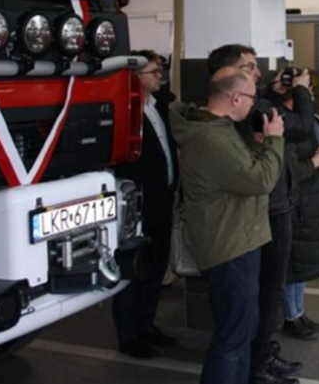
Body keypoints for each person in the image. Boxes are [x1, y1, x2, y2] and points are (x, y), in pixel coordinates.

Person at [168, 68, 285, 384]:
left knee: (242, 331)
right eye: (251, 97)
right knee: (233, 336)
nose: (253, 103)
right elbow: (260, 180)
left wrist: (259, 146)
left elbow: (240, 172)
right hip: (229, 247)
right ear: (234, 98)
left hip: (238, 240)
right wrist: (274, 140)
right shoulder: (211, 137)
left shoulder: (218, 129)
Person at [206, 44, 313, 384]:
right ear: (231, 82)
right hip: (259, 214)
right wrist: (301, 91)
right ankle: (258, 363)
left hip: (258, 212)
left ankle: (258, 359)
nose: (258, 73)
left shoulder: (239, 112)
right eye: (250, 67)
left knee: (256, 301)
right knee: (265, 294)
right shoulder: (217, 130)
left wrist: (273, 93)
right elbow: (301, 127)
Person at [112, 50, 180, 359]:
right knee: (133, 270)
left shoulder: (160, 104)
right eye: (152, 71)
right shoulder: (125, 112)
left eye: (160, 70)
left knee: (155, 268)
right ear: (133, 76)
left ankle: (146, 323)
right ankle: (129, 335)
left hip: (163, 199)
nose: (159, 76)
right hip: (137, 205)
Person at [280, 93, 319, 341]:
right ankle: (290, 316)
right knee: (292, 265)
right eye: (307, 90)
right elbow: (291, 171)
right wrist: (315, 162)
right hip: (293, 202)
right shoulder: (285, 123)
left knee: (301, 265)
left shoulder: (305, 122)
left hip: (307, 201)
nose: (311, 95)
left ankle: (299, 312)